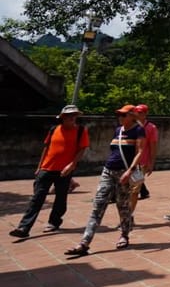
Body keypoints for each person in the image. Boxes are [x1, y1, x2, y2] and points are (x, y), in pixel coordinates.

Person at [65, 105, 145, 256]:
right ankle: (85, 242)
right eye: (118, 115)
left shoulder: (138, 130)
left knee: (123, 206)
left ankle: (124, 234)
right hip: (108, 171)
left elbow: (140, 152)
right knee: (98, 206)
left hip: (124, 173)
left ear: (132, 116)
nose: (119, 117)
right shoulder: (118, 131)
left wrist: (130, 171)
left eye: (123, 115)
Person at [9, 105, 90, 238]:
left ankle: (54, 222)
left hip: (64, 171)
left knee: (60, 199)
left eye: (74, 115)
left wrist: (72, 165)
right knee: (37, 199)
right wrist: (39, 166)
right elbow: (46, 148)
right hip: (46, 169)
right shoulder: (54, 130)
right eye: (69, 115)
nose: (72, 117)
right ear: (62, 117)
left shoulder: (81, 131)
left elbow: (82, 149)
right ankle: (24, 227)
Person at [132, 104, 158, 206]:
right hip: (128, 160)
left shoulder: (151, 127)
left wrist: (151, 163)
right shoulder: (132, 126)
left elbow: (153, 146)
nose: (137, 115)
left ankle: (129, 213)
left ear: (145, 114)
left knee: (134, 189)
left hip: (141, 162)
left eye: (140, 112)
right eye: (136, 112)